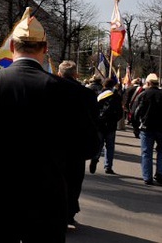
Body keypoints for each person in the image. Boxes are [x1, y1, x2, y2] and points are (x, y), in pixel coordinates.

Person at [0, 9, 99, 243]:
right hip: (47, 197)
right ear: (45, 49)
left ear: (13, 47)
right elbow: (88, 147)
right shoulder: (70, 92)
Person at [56, 60, 99, 230]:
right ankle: (68, 214)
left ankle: (55, 213)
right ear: (76, 74)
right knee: (74, 181)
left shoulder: (49, 88)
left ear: (59, 73)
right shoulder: (87, 94)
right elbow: (94, 121)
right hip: (77, 147)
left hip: (54, 145)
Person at [131, 73, 162, 185]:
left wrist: (135, 127)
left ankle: (147, 177)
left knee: (146, 153)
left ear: (148, 83)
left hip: (146, 127)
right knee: (161, 152)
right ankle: (159, 173)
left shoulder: (143, 95)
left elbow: (135, 112)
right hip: (161, 128)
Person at [90, 77, 124, 175]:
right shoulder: (116, 96)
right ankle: (108, 166)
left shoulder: (98, 94)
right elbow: (120, 112)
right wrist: (115, 120)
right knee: (110, 147)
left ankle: (95, 158)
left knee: (99, 144)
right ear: (113, 85)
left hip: (99, 124)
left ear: (103, 85)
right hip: (111, 125)